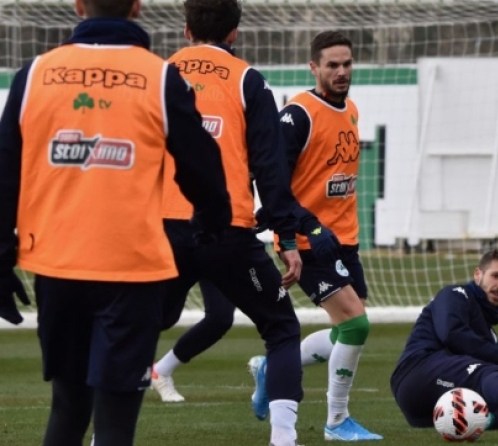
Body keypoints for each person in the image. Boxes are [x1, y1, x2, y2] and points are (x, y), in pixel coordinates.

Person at [0, 0, 233, 444]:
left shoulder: (35, 75)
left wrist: (0, 256)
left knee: (67, 409)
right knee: (115, 425)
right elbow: (202, 166)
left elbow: (6, 170)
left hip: (57, 267)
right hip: (132, 270)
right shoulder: (160, 77)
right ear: (137, 7)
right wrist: (213, 220)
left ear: (78, 5)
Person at [150, 2, 339, 445]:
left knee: (134, 328)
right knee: (282, 329)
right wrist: (286, 237)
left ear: (186, 29)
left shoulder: (156, 74)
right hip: (227, 230)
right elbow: (271, 168)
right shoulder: (248, 80)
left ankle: (102, 436)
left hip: (164, 229)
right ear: (234, 33)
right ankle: (283, 439)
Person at [247, 31, 382, 441]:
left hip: (344, 239)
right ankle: (336, 421)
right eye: (332, 65)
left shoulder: (351, 109)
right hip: (309, 242)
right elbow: (274, 184)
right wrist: (291, 236)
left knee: (345, 329)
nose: (341, 72)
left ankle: (271, 366)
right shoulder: (298, 115)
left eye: (347, 64)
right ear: (314, 67)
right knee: (356, 326)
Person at [390, 249, 498, 430]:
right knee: (486, 371)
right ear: (478, 274)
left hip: (436, 409)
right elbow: (452, 335)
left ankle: (481, 419)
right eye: (496, 276)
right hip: (416, 376)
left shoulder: (490, 335)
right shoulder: (455, 294)